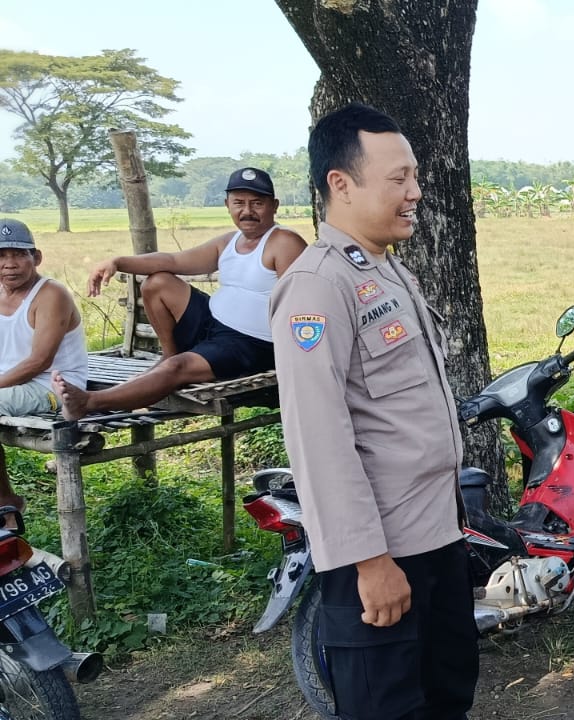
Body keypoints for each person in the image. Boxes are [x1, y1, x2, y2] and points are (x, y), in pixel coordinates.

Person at [269, 102, 475, 720]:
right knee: (389, 708)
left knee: (448, 696)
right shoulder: (316, 287)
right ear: (341, 183)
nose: (414, 192)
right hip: (384, 554)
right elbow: (319, 438)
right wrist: (369, 561)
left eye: (413, 177)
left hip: (436, 536)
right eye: (398, 179)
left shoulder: (387, 272)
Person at [53, 167, 306, 420]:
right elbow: (173, 260)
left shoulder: (284, 242)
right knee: (158, 282)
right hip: (212, 324)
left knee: (178, 368)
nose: (247, 211)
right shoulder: (229, 242)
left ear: (274, 206)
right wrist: (117, 262)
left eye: (257, 203)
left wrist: (296, 362)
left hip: (250, 344)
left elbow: (301, 305)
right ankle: (169, 354)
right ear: (227, 204)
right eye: (239, 202)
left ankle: (89, 402)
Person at [0, 219, 87, 515]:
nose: (9, 264)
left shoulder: (50, 294)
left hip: (51, 387)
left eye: (18, 254)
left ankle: (6, 505)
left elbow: (39, 361)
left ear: (35, 258)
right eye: (1, 256)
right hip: (9, 383)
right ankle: (6, 502)